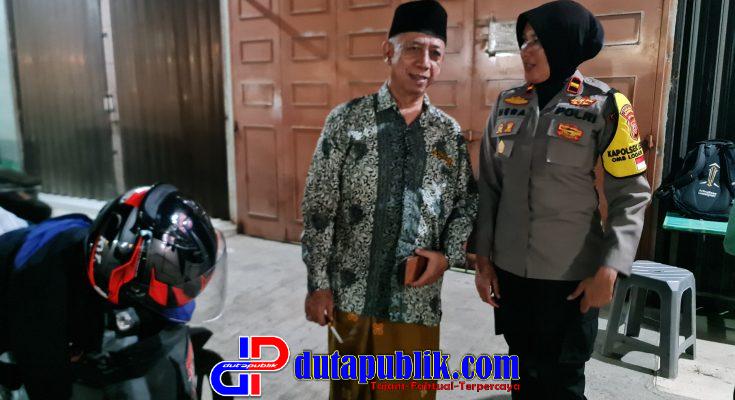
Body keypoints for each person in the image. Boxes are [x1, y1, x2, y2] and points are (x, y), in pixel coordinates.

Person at [472, 1, 652, 398]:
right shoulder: (507, 103)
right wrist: (483, 261)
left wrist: (610, 269)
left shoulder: (606, 106)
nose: (525, 50)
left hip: (570, 279)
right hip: (511, 274)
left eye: (537, 40)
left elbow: (631, 195)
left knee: (563, 382)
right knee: (521, 374)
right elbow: (489, 188)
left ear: (564, 43)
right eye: (523, 40)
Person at [301, 1, 477, 398]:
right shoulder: (346, 121)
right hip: (352, 299)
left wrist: (447, 256)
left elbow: (466, 203)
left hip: (415, 304)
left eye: (435, 53)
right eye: (413, 48)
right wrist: (318, 285)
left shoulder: (447, 133)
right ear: (388, 51)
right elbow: (319, 208)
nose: (424, 63)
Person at [0, 183, 227, 399]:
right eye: (168, 271)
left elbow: (169, 315)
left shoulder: (103, 258)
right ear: (119, 260)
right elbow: (46, 380)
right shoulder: (42, 292)